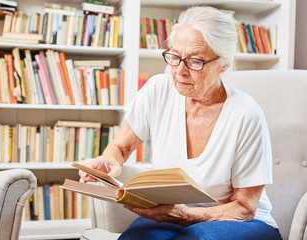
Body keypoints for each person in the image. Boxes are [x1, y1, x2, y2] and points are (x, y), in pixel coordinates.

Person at [79, 6, 282, 240]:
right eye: (174, 57)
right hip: (172, 214)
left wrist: (187, 215)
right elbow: (121, 147)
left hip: (243, 222)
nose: (179, 72)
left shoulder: (246, 114)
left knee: (197, 238)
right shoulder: (157, 90)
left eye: (195, 61)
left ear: (224, 64)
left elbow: (245, 208)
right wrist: (108, 162)